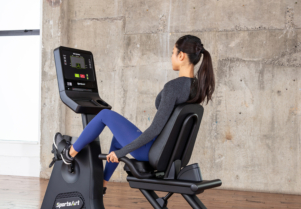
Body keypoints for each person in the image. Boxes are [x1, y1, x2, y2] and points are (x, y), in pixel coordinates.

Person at [54, 35, 215, 194]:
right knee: (118, 139)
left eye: (173, 53)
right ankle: (102, 185)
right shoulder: (196, 88)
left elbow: (154, 129)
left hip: (152, 151)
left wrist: (121, 153)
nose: (171, 57)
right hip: (169, 153)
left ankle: (69, 154)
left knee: (104, 115)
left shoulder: (173, 88)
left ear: (181, 56)